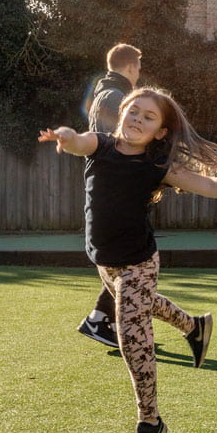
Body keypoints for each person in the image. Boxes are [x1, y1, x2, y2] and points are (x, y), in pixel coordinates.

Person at [39, 86, 217, 433]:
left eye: (148, 117)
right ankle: (195, 327)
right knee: (143, 304)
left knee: (131, 333)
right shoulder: (100, 146)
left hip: (139, 261)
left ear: (161, 132)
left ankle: (149, 422)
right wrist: (65, 136)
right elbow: (77, 141)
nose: (137, 119)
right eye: (132, 111)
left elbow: (210, 184)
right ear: (120, 114)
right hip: (104, 260)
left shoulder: (157, 166)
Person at [77, 43, 143, 348]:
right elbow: (124, 142)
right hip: (115, 195)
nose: (139, 74)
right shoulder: (115, 97)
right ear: (130, 67)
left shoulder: (108, 93)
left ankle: (109, 323)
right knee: (128, 267)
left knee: (126, 265)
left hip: (116, 192)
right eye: (138, 68)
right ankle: (99, 321)